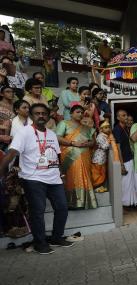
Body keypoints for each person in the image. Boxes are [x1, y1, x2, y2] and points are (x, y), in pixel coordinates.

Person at [0, 103, 73, 254]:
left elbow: (57, 156)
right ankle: (40, 243)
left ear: (48, 116)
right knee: (37, 212)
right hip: (33, 179)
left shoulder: (52, 134)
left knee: (62, 208)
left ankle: (56, 237)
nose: (41, 116)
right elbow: (12, 153)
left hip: (54, 178)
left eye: (44, 113)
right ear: (32, 116)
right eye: (37, 113)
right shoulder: (24, 132)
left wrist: (62, 174)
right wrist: (2, 171)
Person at [56, 105, 97, 209]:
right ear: (71, 113)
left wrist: (85, 144)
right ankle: (73, 202)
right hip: (70, 155)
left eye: (82, 112)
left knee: (85, 175)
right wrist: (73, 143)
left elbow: (93, 142)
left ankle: (85, 201)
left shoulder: (86, 127)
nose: (80, 114)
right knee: (73, 176)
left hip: (85, 154)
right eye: (77, 112)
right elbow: (57, 138)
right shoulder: (64, 123)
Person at [113, 109, 137, 207]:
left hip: (129, 158)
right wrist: (121, 164)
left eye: (126, 115)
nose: (126, 117)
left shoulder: (126, 128)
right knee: (125, 184)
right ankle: (124, 204)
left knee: (130, 183)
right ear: (118, 118)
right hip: (124, 160)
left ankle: (130, 203)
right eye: (123, 115)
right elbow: (118, 147)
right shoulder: (117, 129)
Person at [92, 120, 121, 193]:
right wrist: (109, 140)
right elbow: (104, 147)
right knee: (97, 175)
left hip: (102, 159)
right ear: (101, 129)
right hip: (98, 159)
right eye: (106, 127)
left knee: (102, 174)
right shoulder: (100, 136)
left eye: (109, 127)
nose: (108, 129)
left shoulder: (106, 136)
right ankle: (96, 187)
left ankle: (99, 187)